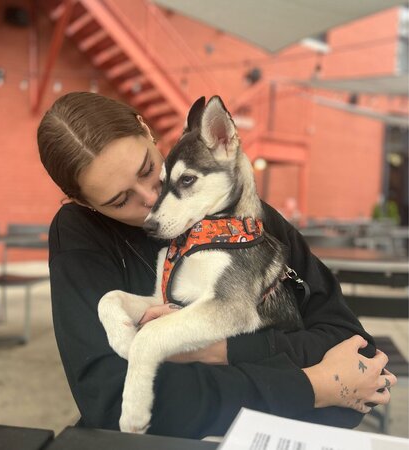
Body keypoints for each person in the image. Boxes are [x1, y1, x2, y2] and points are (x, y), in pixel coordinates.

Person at [37, 92, 396, 439]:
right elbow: (115, 403)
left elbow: (353, 346)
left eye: (149, 169)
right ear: (84, 203)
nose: (152, 200)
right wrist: (312, 386)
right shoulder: (79, 235)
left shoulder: (245, 216)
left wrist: (216, 351)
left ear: (145, 129)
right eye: (120, 200)